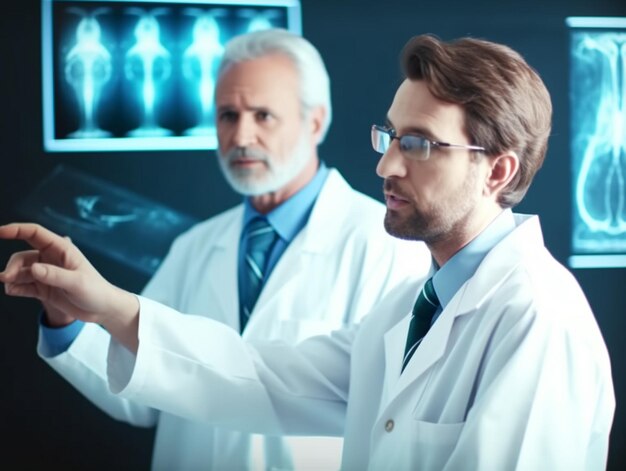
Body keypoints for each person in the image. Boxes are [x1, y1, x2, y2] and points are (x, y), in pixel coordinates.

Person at [0, 33, 615, 470]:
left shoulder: (537, 319)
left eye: (421, 145)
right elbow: (263, 378)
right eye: (391, 136)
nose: (386, 163)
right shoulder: (409, 308)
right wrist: (104, 306)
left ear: (497, 171)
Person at [0, 29, 429, 471]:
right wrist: (66, 319)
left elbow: (391, 417)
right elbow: (140, 395)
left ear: (315, 121)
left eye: (263, 115)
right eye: (227, 115)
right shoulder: (196, 247)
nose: (241, 136)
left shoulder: (385, 247)